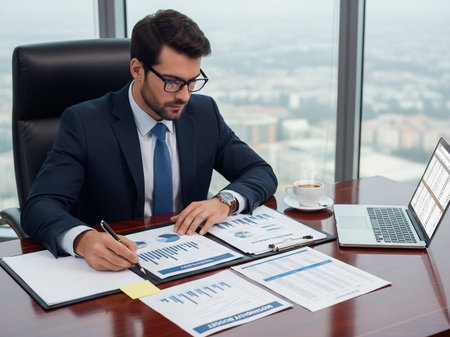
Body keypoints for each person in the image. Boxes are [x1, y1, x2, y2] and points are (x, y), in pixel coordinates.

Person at [21, 9, 277, 272]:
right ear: (137, 69)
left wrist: (224, 201)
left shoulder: (204, 113)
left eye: (192, 82)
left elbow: (260, 171)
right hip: (118, 266)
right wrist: (84, 241)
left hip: (191, 258)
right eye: (173, 82)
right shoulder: (85, 123)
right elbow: (39, 206)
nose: (185, 96)